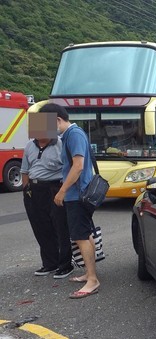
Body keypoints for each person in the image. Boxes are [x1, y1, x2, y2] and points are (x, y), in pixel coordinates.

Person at [42, 103, 101, 299]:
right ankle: (89, 273)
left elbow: (77, 167)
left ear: (57, 120)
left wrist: (62, 191)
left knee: (80, 236)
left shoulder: (74, 135)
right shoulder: (72, 135)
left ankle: (92, 280)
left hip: (77, 196)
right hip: (79, 195)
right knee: (85, 234)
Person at [20, 114, 73, 278]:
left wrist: (63, 191)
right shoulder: (30, 145)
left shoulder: (60, 144)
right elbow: (24, 170)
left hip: (54, 188)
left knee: (60, 228)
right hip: (34, 191)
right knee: (40, 228)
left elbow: (69, 169)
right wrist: (26, 188)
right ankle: (50, 263)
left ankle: (65, 264)